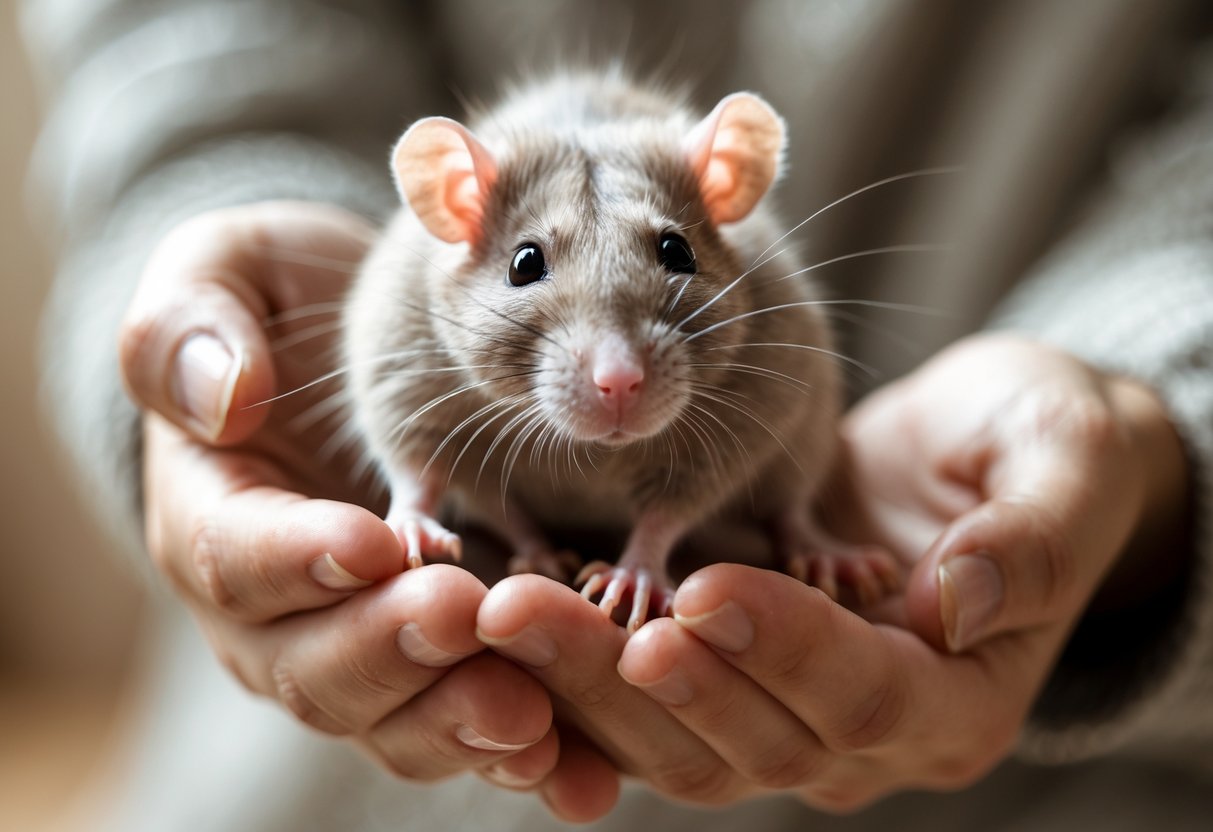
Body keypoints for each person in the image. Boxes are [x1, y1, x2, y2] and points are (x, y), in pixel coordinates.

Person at [26, 1, 1213, 829]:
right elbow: (190, 43)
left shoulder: (755, 308)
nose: (616, 374)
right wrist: (216, 199)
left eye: (668, 258)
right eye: (531, 267)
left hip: (1084, 802)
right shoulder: (398, 301)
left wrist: (1161, 434)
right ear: (456, 208)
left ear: (726, 185)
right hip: (308, 797)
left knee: (777, 393)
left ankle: (779, 518)